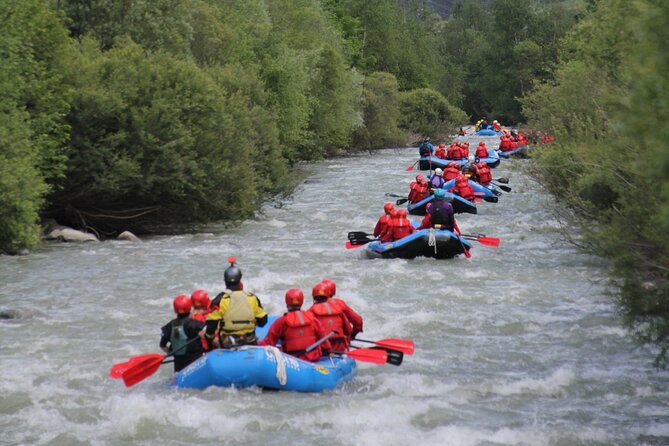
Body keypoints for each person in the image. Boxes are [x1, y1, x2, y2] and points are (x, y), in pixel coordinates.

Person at [203, 257, 268, 348]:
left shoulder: (219, 300)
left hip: (228, 345)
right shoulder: (252, 298)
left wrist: (209, 338)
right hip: (250, 342)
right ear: (240, 280)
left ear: (225, 281)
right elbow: (263, 321)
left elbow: (211, 325)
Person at [258, 288, 332, 362]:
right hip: (312, 358)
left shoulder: (281, 322)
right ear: (301, 302)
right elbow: (324, 342)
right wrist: (327, 351)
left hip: (291, 360)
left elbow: (268, 344)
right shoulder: (313, 319)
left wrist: (254, 343)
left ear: (287, 302)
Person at [160, 294, 206, 372]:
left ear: (175, 309)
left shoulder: (169, 326)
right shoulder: (195, 324)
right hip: (196, 363)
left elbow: (162, 345)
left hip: (179, 365)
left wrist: (172, 353)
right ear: (189, 307)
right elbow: (209, 334)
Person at [309, 282, 352, 352]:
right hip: (340, 348)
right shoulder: (338, 309)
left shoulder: (310, 311)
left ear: (314, 296)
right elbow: (348, 330)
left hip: (324, 350)